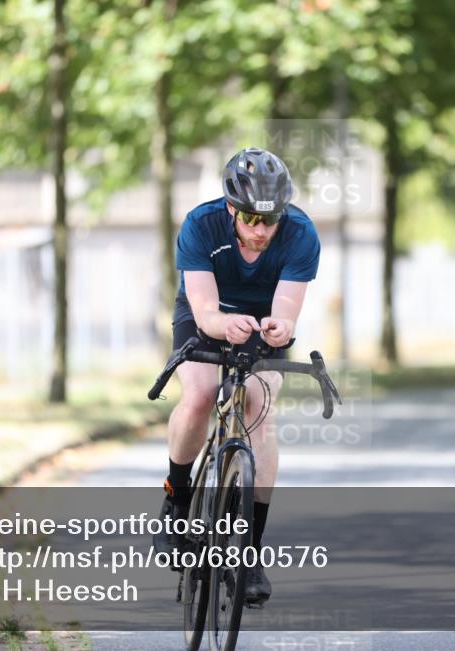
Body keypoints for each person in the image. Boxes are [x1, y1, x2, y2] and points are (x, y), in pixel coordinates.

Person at [153, 147, 321, 606]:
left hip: (262, 319)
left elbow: (286, 309)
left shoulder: (302, 234)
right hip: (206, 313)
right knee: (202, 392)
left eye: (270, 220)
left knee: (260, 406)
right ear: (231, 208)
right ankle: (177, 501)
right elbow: (204, 308)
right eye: (250, 220)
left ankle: (248, 551)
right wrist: (221, 323)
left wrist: (281, 326)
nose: (261, 231)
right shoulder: (200, 225)